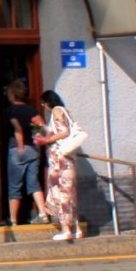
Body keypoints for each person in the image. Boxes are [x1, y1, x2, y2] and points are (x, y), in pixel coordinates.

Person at [37, 89, 86, 242]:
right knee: (70, 193)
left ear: (48, 102)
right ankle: (77, 228)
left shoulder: (57, 111)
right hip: (68, 159)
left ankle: (66, 230)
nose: (43, 106)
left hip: (60, 160)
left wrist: (47, 141)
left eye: (43, 103)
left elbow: (64, 132)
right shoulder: (65, 110)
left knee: (61, 192)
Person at [0, 77, 43, 227]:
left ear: (12, 94)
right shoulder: (31, 110)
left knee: (14, 186)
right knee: (33, 183)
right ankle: (43, 213)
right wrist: (40, 139)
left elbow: (16, 128)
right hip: (33, 150)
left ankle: (13, 220)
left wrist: (20, 146)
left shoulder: (9, 111)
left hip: (17, 150)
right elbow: (43, 127)